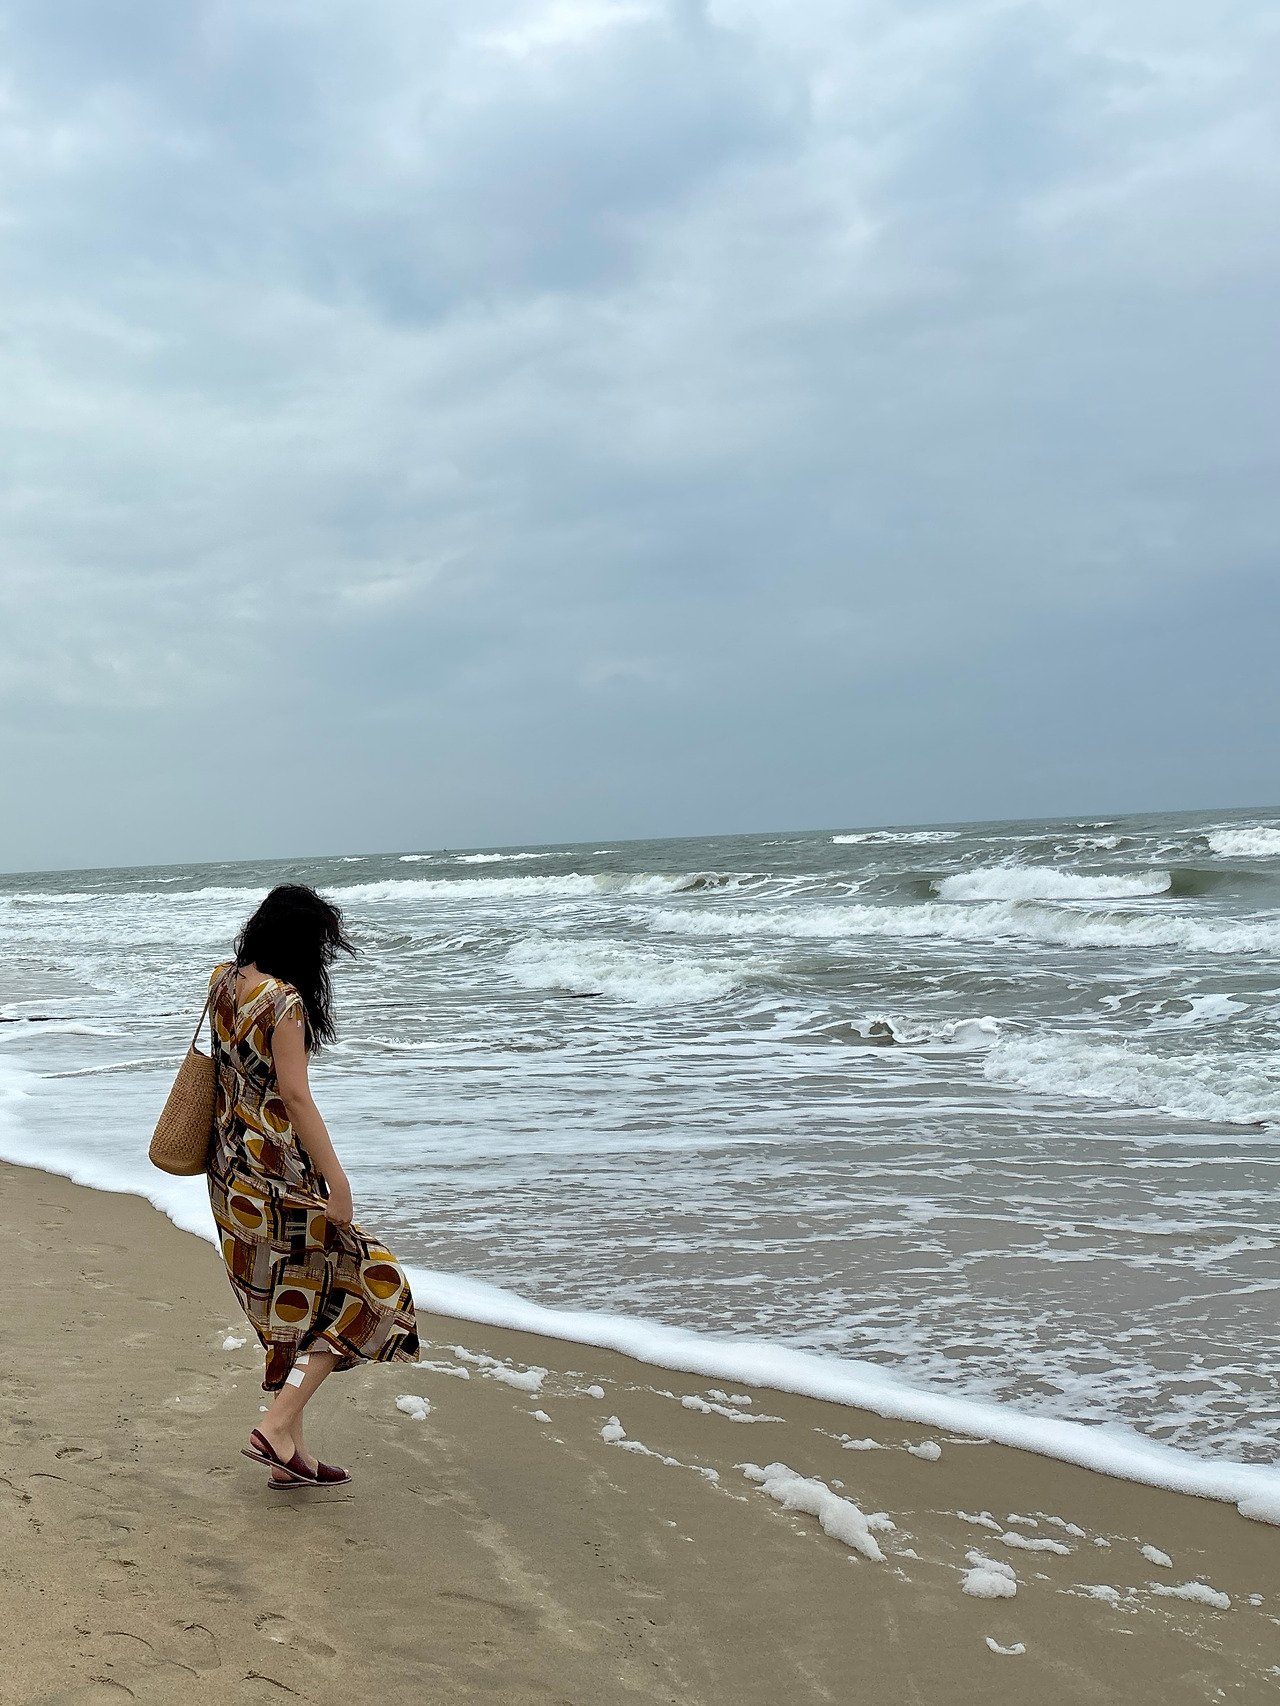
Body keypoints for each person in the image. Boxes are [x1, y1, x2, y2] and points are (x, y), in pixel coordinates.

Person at [206, 883, 420, 1488]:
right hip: (278, 1178)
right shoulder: (285, 1001)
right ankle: (275, 1425)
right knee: (378, 1286)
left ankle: (290, 1455)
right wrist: (339, 1183)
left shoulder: (224, 981)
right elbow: (295, 1098)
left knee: (288, 1308)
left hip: (229, 1174)